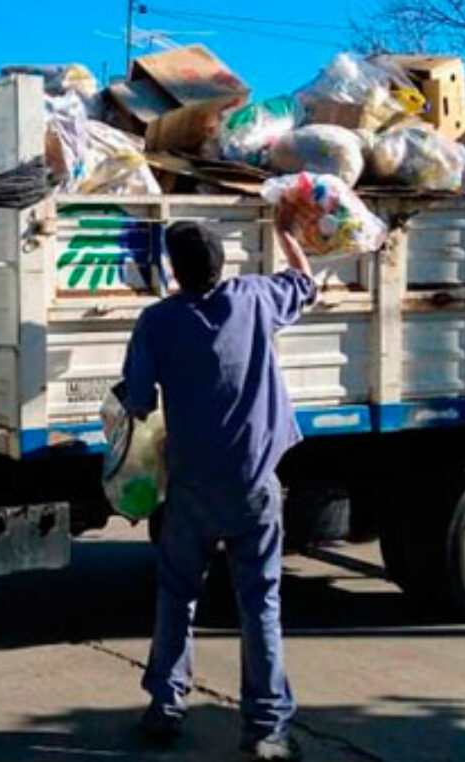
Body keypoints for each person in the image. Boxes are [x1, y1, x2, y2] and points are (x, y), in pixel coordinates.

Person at [122, 219, 315, 761]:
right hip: (254, 484)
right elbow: (305, 281)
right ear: (222, 264)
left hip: (190, 488)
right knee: (260, 603)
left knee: (177, 592)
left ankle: (165, 706)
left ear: (175, 270)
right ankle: (266, 731)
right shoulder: (255, 298)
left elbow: (136, 402)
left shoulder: (157, 321)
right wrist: (286, 232)